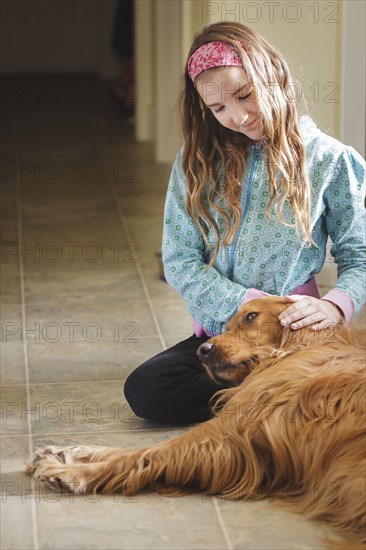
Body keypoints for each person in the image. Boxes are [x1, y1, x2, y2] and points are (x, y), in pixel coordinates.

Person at [124, 21, 366, 425]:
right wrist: (245, 305)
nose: (237, 116)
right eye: (219, 108)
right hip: (223, 335)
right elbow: (180, 262)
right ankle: (285, 400)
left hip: (294, 335)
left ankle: (282, 394)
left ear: (270, 73)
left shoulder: (330, 160)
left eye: (244, 95)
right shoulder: (194, 164)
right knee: (147, 390)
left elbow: (360, 257)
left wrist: (335, 306)